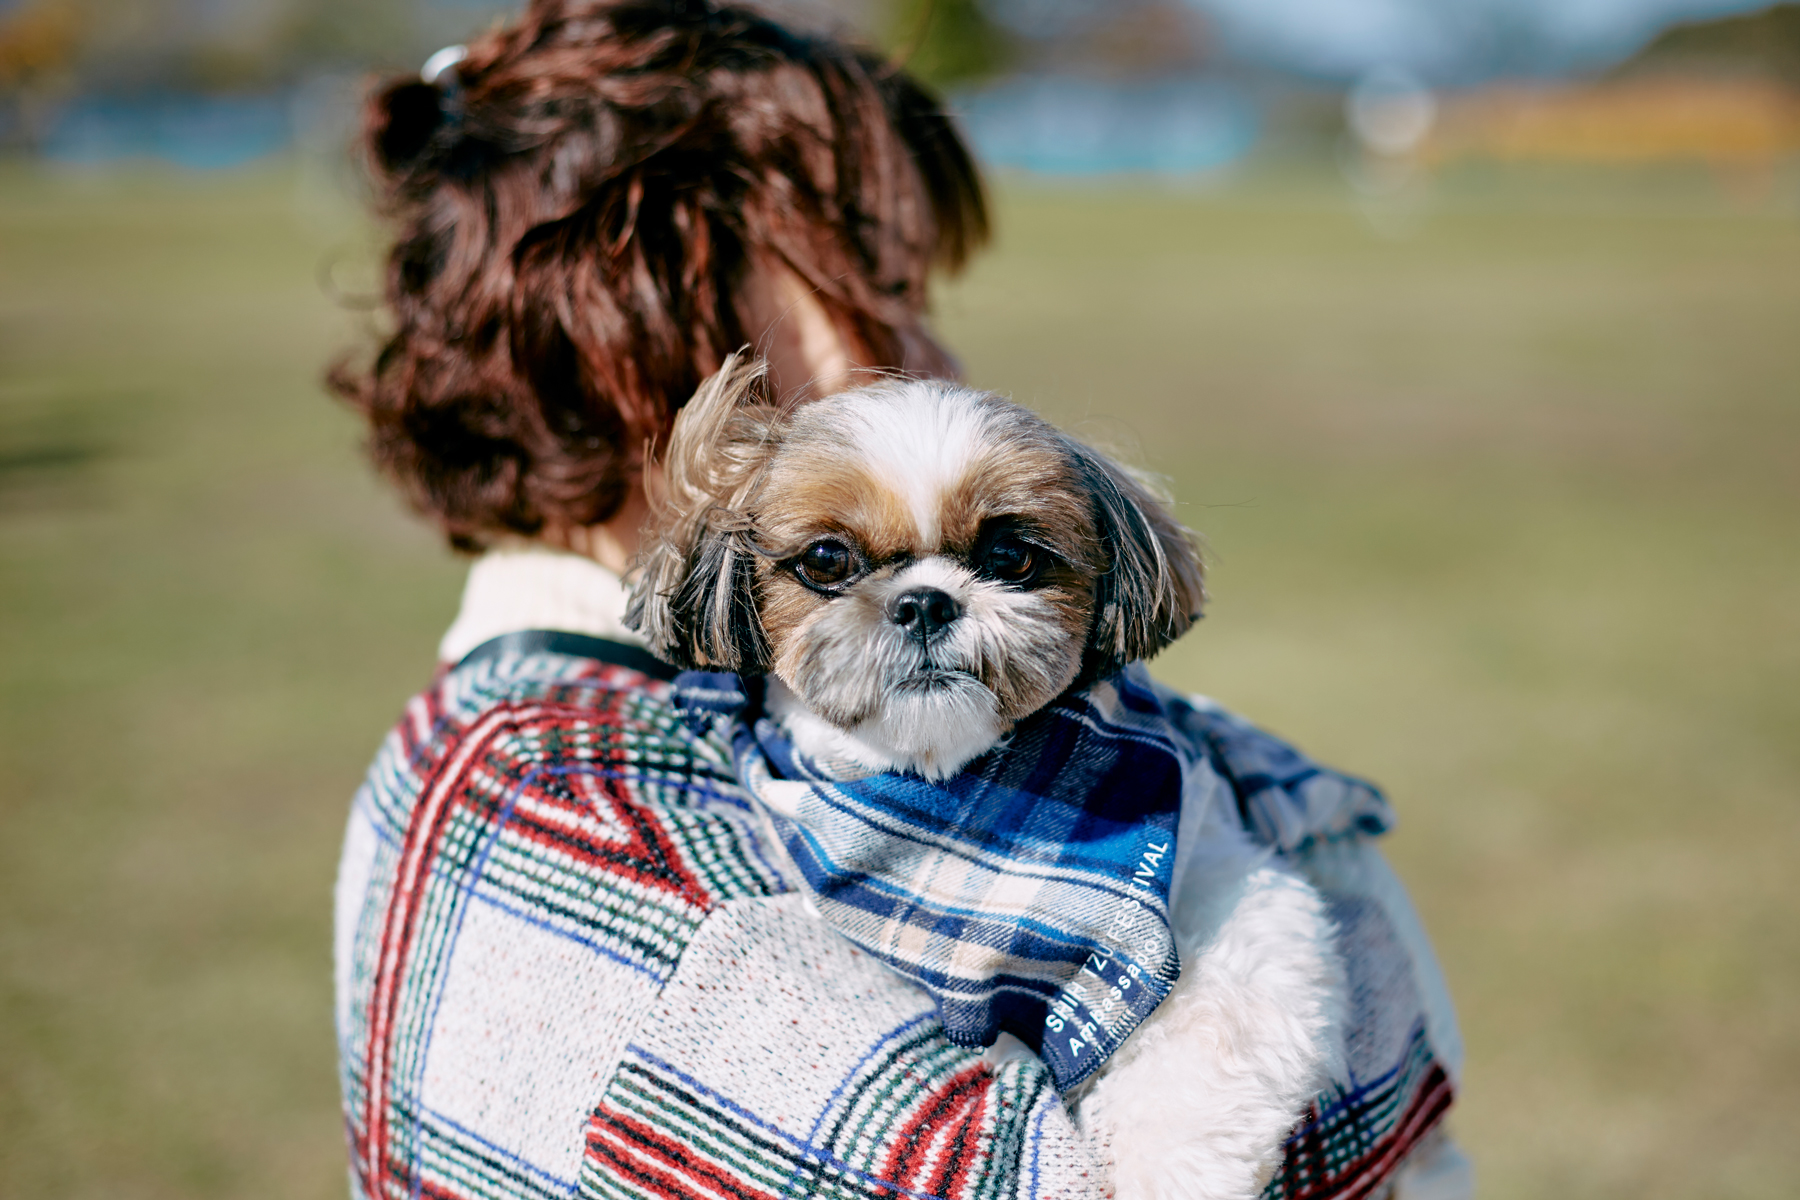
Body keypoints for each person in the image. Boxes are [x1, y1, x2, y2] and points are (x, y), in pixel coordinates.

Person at [330, 3, 1470, 1198]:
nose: (945, 365)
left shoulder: (555, 723)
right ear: (629, 309)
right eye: (885, 290)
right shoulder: (572, 810)